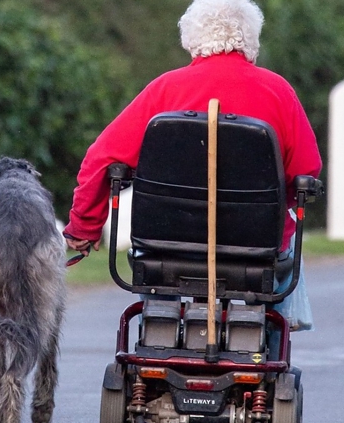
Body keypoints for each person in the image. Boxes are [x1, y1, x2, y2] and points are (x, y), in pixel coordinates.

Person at [62, 0, 322, 330]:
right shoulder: (278, 92)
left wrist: (84, 228)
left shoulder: (164, 90)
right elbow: (306, 171)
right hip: (255, 247)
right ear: (251, 39)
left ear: (191, 38)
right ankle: (272, 335)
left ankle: (160, 325)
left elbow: (101, 160)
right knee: (286, 245)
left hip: (166, 245)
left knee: (155, 272)